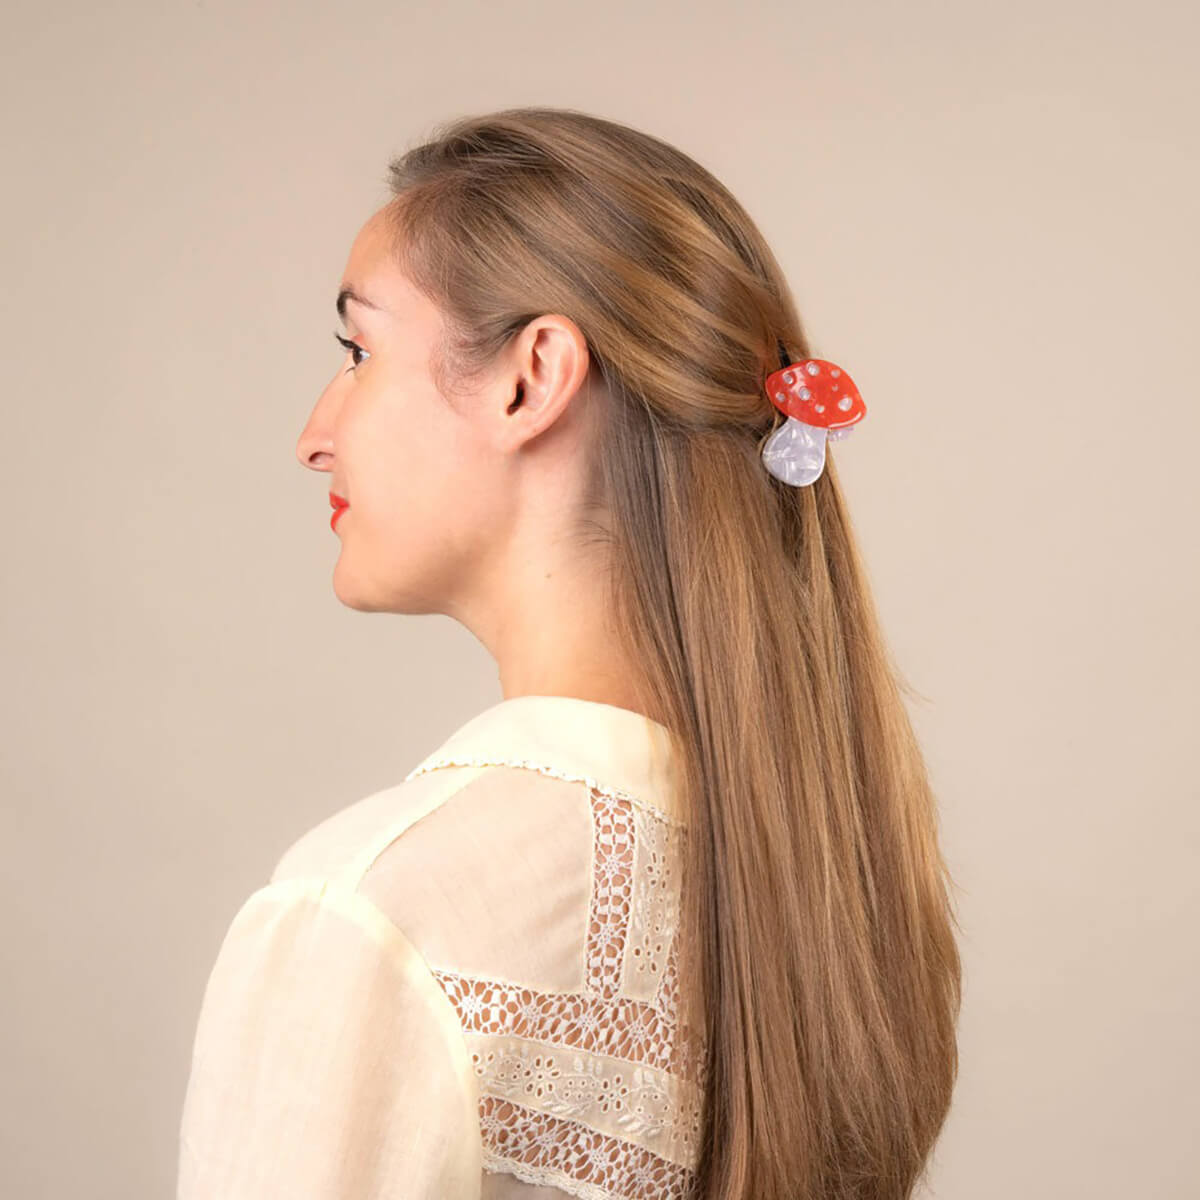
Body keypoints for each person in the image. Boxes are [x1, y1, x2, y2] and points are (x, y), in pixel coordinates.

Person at [176, 107, 962, 1200]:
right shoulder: (833, 883)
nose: (316, 435)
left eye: (360, 353)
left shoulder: (369, 920)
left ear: (532, 376)